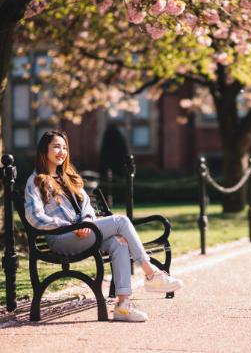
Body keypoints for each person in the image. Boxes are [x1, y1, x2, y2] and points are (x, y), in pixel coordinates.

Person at [24, 130, 183, 322]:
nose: (62, 151)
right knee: (121, 221)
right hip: (61, 238)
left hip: (83, 233)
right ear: (44, 150)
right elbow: (35, 217)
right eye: (56, 146)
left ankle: (123, 306)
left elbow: (87, 207)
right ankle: (151, 274)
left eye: (65, 147)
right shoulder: (36, 180)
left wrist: (88, 221)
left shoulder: (68, 177)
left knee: (119, 242)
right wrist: (70, 226)